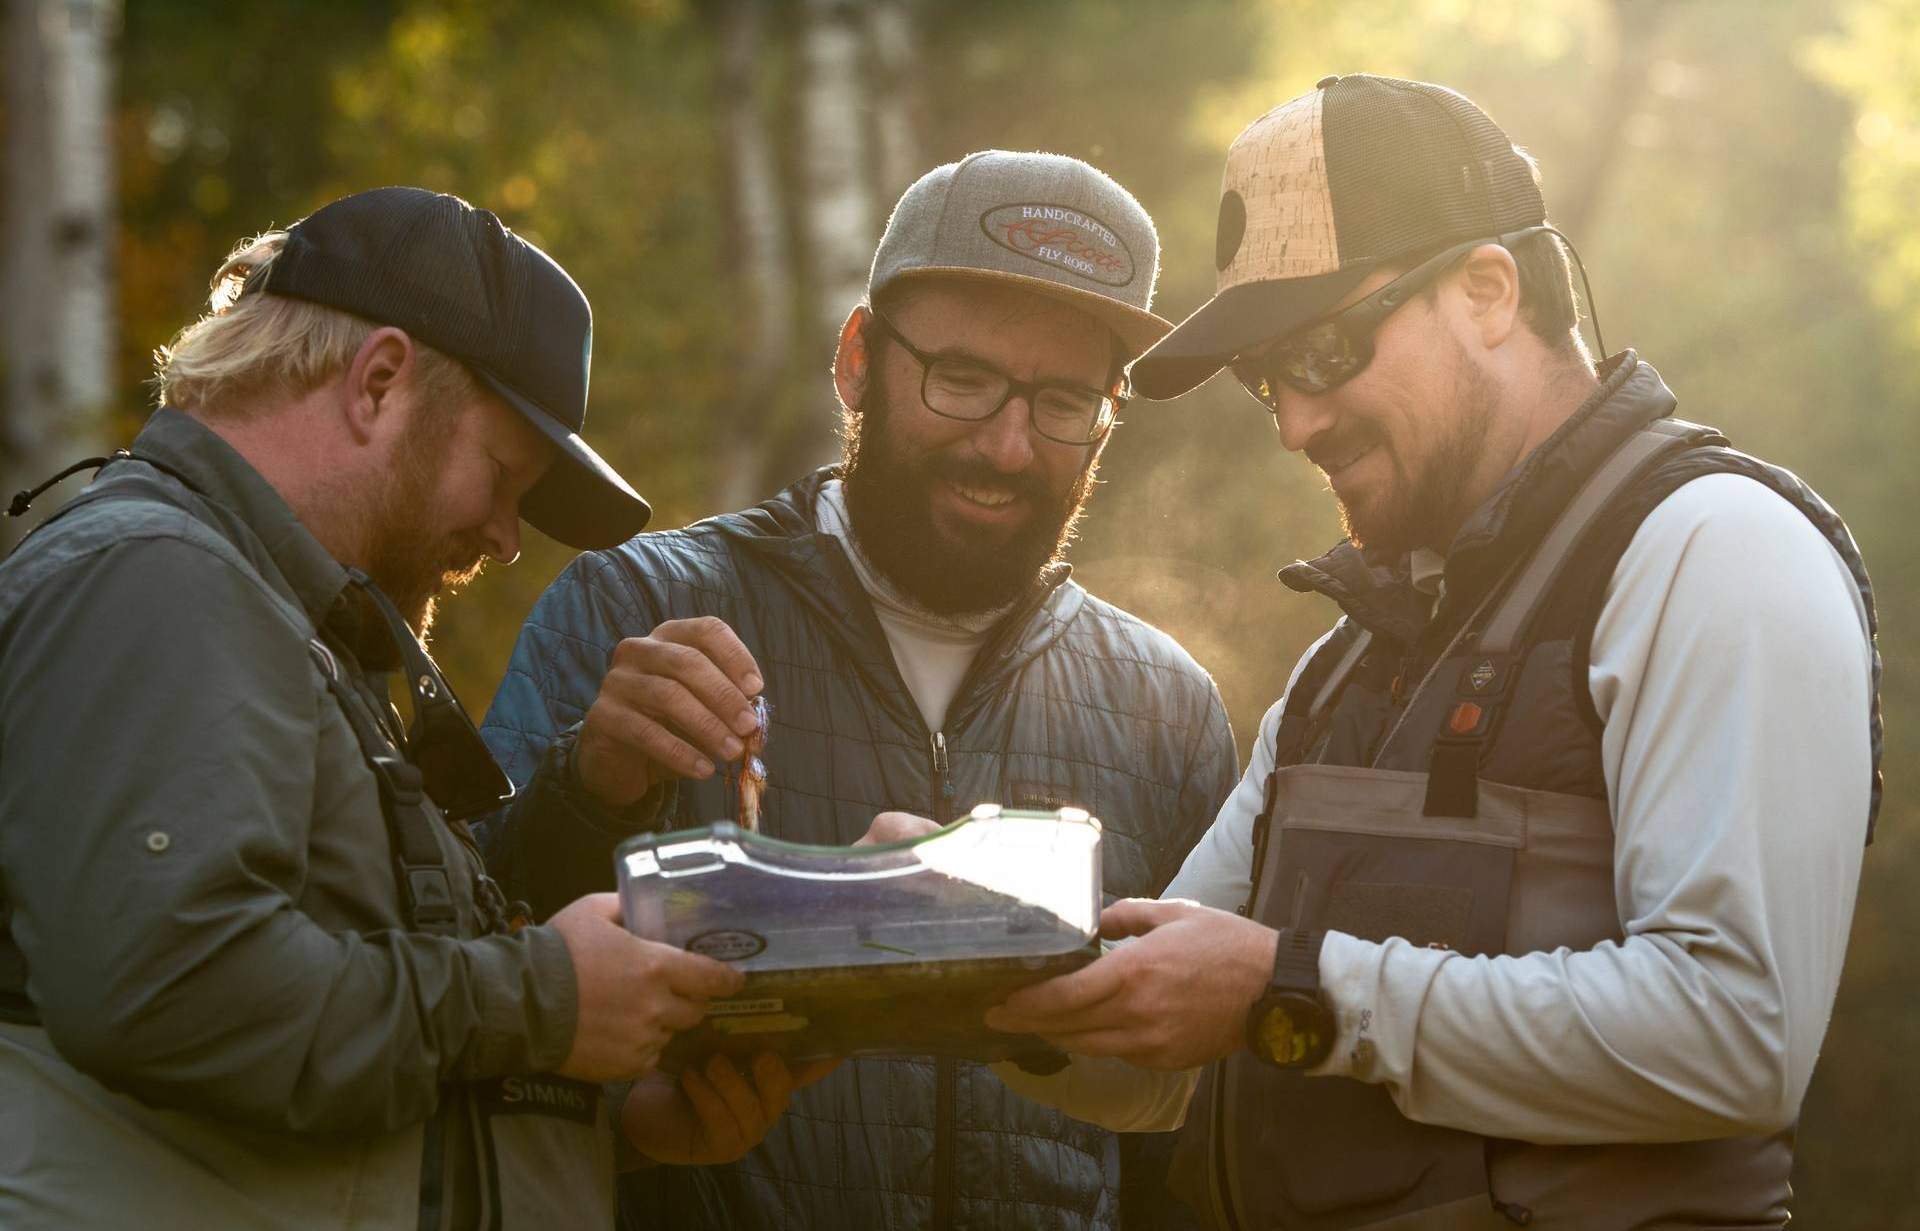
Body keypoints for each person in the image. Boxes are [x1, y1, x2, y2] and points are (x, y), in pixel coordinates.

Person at [981, 74, 1882, 1229]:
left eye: (1322, 351)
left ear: (1489, 289)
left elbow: (1735, 1038)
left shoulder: (1717, 551)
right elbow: (1154, 1060)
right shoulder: (1341, 668)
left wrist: (1290, 990)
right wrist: (954, 945)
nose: (1297, 423)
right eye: (1268, 382)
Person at [0, 187, 823, 1231]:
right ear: (380, 381)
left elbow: (360, 1049)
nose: (506, 538)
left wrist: (613, 1118)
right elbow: (176, 992)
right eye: (503, 474)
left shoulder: (270, 620)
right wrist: (548, 1001)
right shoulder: (158, 581)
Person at [479, 151, 1238, 1230]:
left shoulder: (1167, 706)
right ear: (858, 361)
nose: (1008, 443)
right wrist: (589, 788)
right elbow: (462, 979)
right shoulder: (631, 609)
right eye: (962, 379)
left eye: (1065, 400)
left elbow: (1197, 1131)